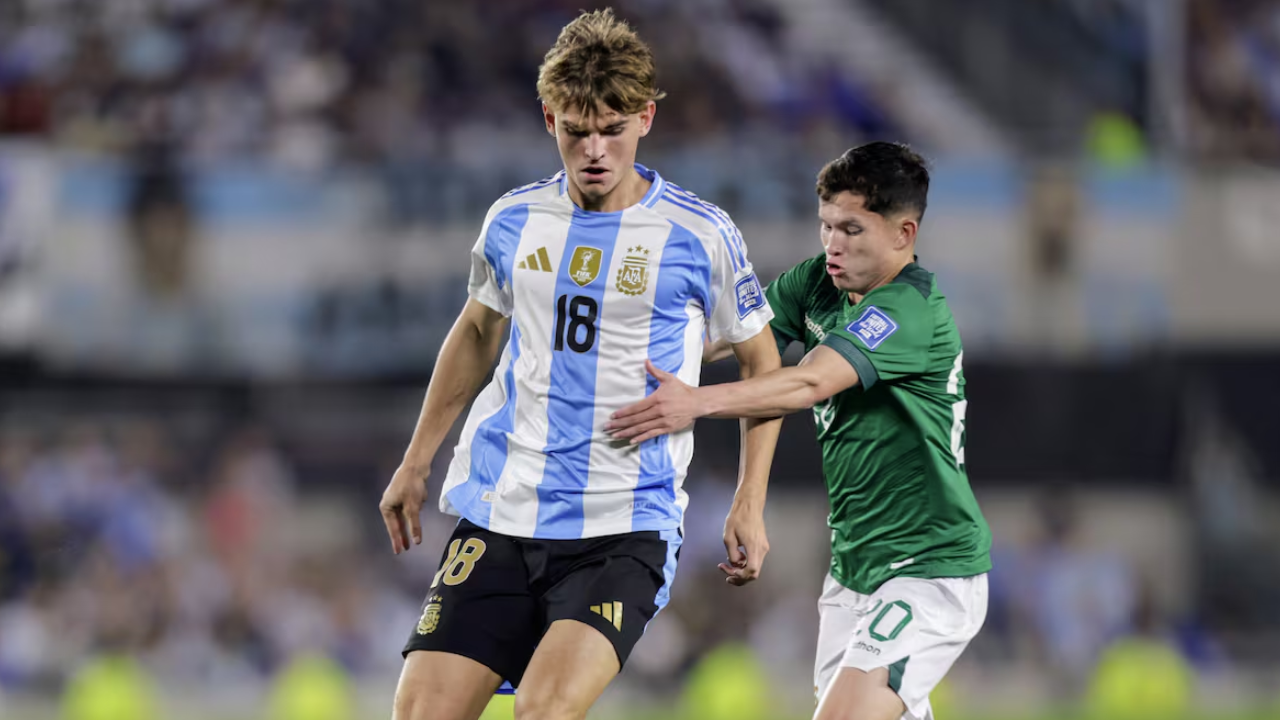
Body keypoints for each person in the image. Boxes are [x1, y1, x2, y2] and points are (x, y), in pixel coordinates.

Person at [378, 9, 783, 720]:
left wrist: (750, 500)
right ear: (548, 121)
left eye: (613, 129)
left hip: (621, 528)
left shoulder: (698, 234)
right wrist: (417, 461)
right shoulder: (513, 220)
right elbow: (476, 332)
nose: (594, 148)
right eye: (576, 130)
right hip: (504, 515)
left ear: (648, 118)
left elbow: (761, 362)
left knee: (544, 710)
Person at [607, 142, 992, 720]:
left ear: (903, 234)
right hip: (853, 570)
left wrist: (693, 404)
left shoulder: (912, 312)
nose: (833, 244)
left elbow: (804, 384)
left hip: (928, 569)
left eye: (853, 230)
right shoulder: (816, 282)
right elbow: (731, 342)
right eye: (826, 225)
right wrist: (618, 354)